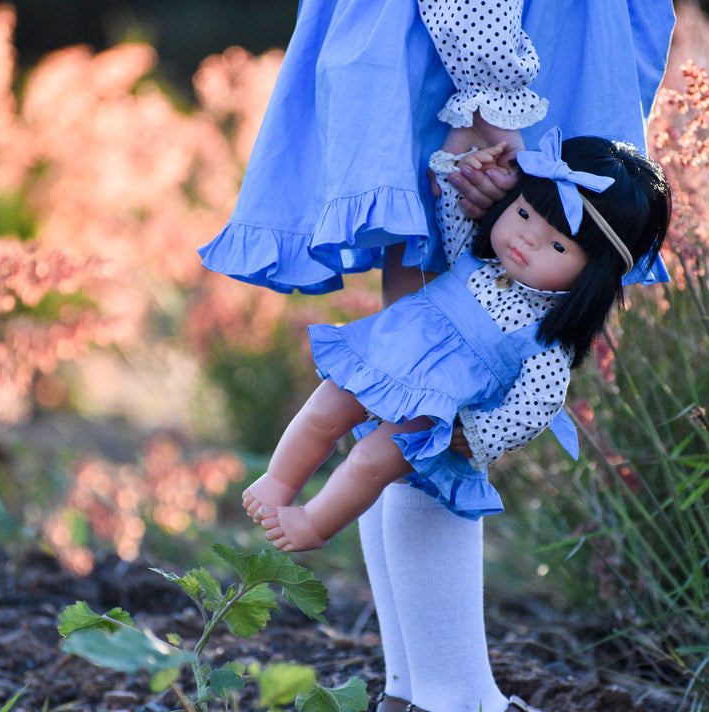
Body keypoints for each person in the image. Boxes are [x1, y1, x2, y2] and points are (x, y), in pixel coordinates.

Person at [199, 0, 675, 712]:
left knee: (413, 422)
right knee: (422, 422)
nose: (530, 240)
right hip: (482, 53)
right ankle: (456, 708)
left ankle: (417, 694)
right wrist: (489, 97)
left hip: (471, 50)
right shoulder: (492, 112)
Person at [243, 129, 671, 559]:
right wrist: (464, 167)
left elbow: (538, 403)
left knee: (372, 460)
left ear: (593, 277)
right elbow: (452, 207)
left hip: (442, 400)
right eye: (523, 215)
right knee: (324, 409)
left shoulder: (545, 339)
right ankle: (278, 481)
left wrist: (483, 434)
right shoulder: (476, 256)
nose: (526, 240)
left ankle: (316, 523)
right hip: (393, 346)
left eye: (558, 245)